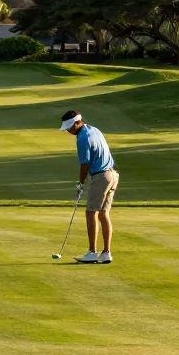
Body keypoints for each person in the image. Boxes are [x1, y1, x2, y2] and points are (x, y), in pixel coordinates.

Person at [58, 110, 119, 264]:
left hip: (101, 176)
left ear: (79, 122)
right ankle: (106, 253)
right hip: (112, 174)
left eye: (71, 127)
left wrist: (81, 183)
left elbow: (84, 164)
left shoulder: (82, 138)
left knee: (91, 213)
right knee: (103, 214)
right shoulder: (94, 129)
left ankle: (92, 252)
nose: (69, 130)